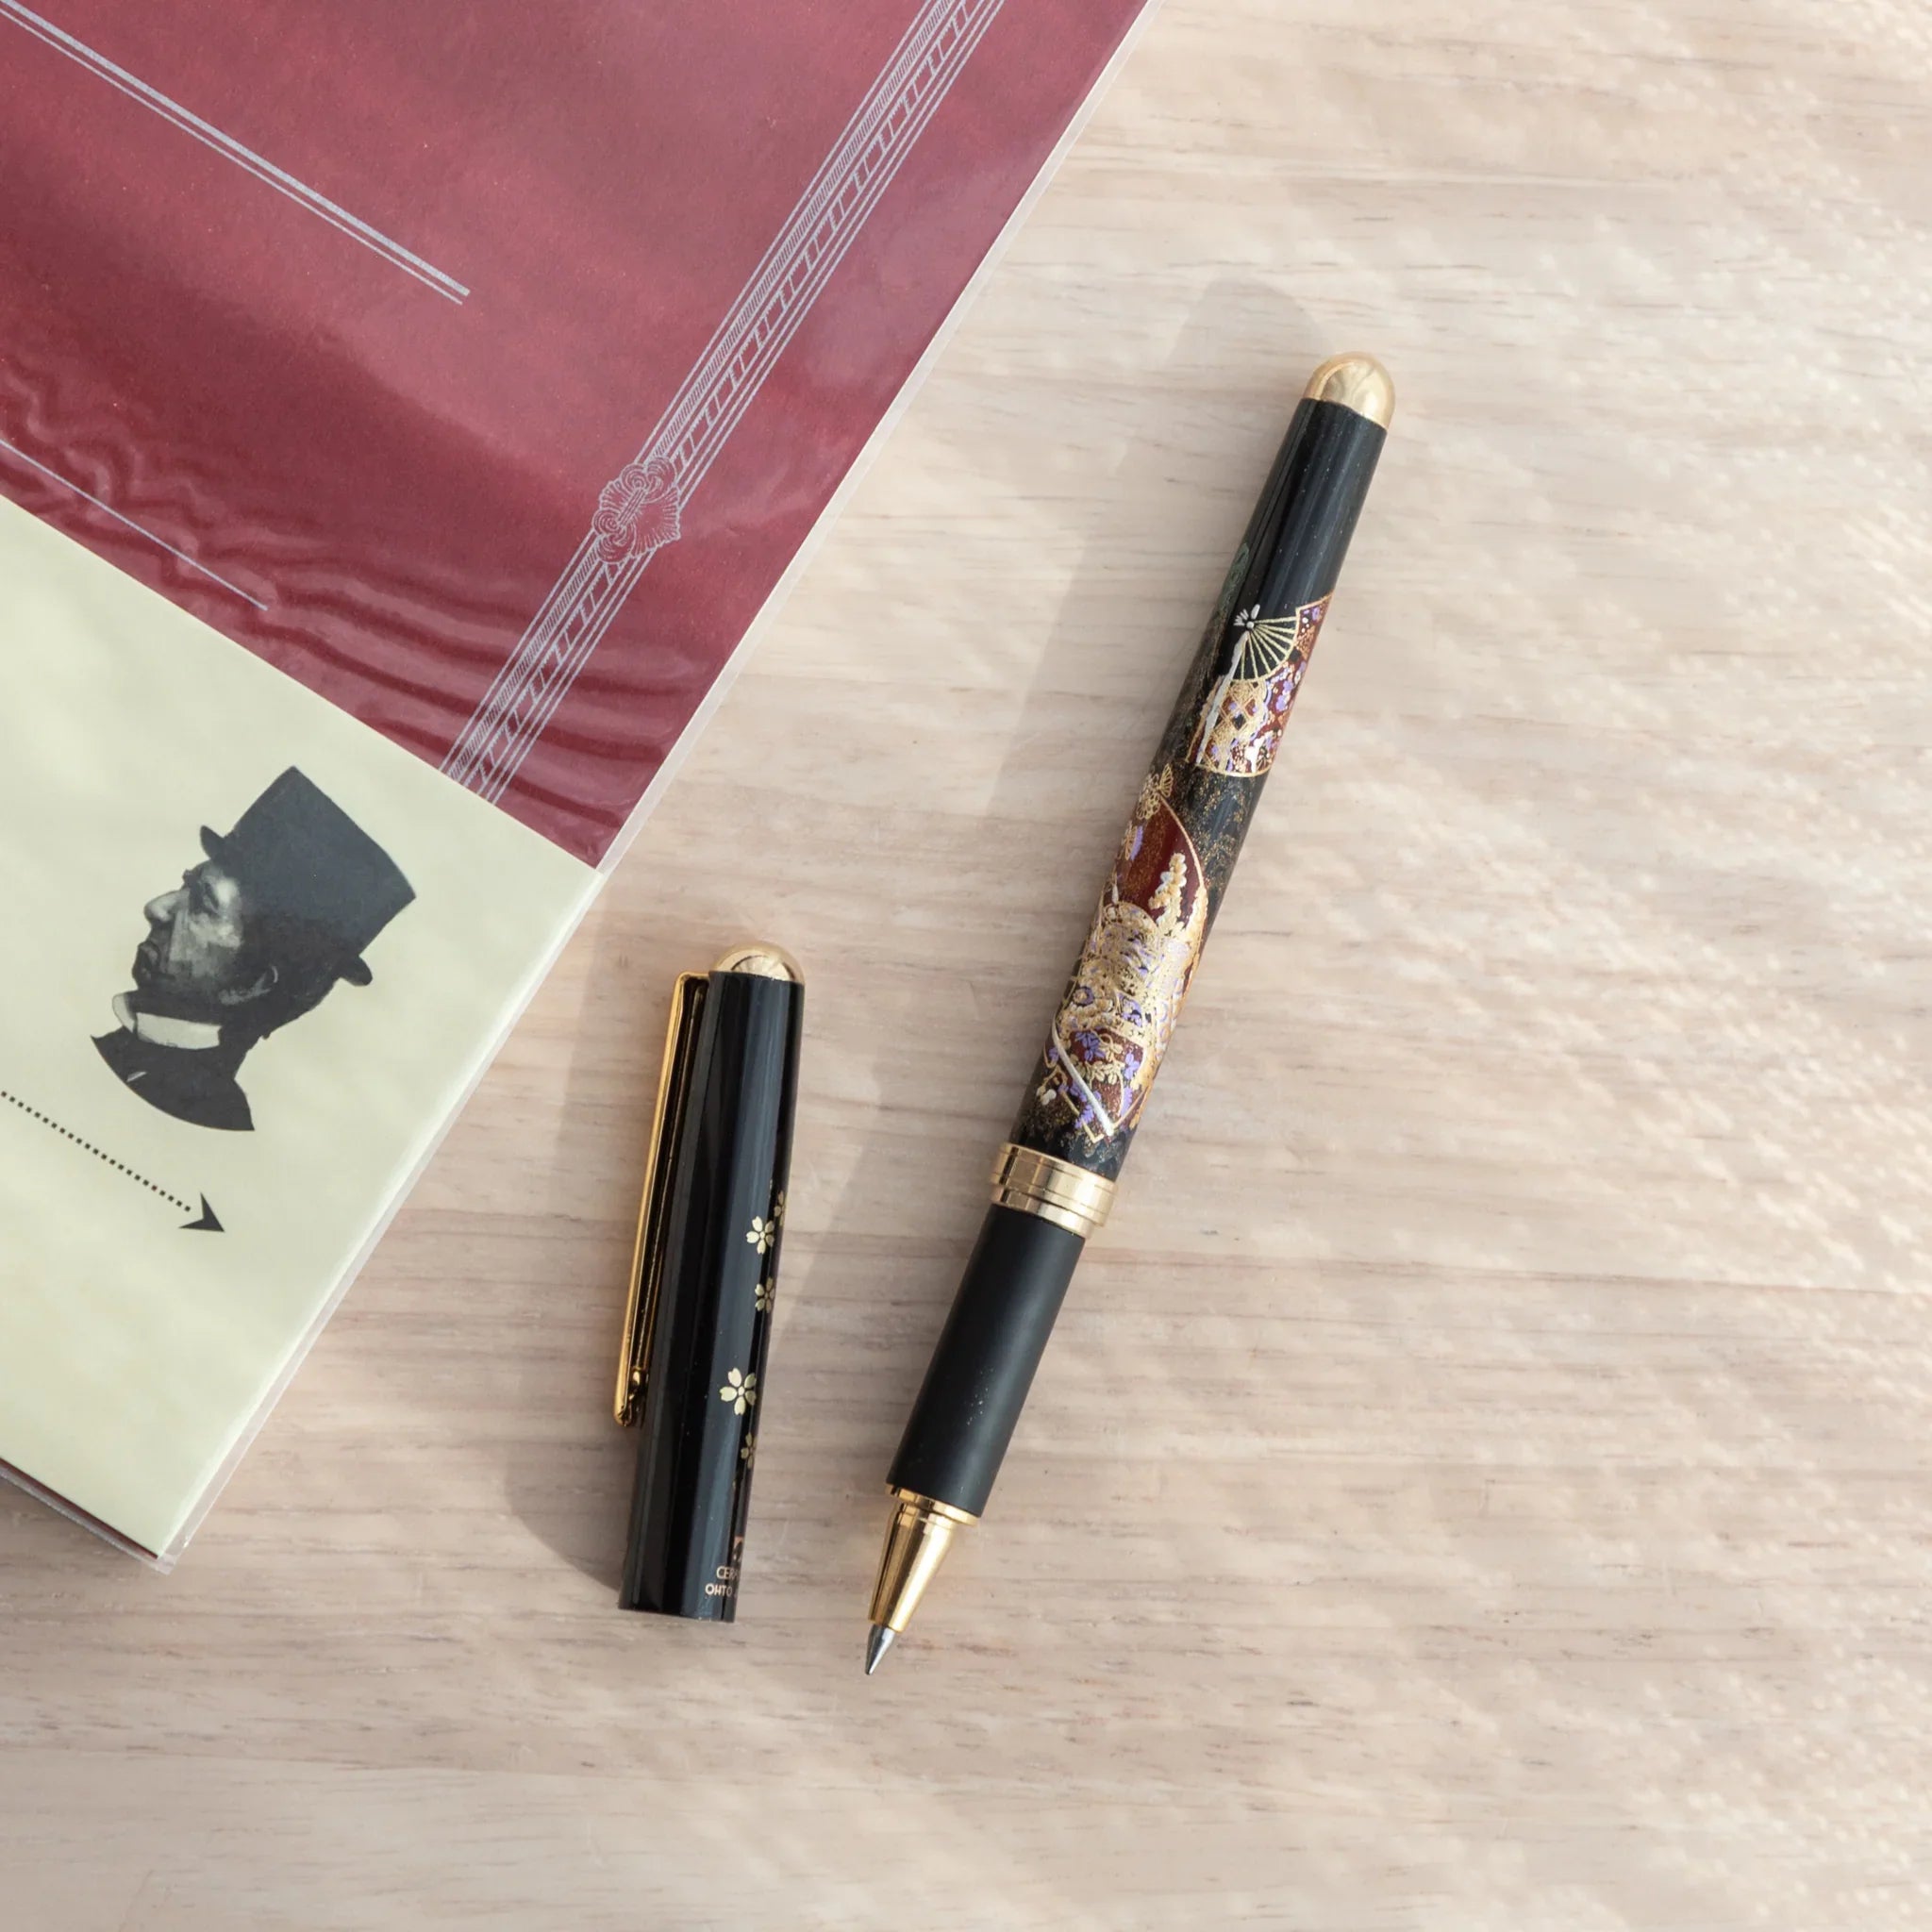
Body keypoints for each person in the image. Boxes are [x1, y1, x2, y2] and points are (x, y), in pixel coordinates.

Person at [93, 768, 415, 1132]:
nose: (157, 907)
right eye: (186, 885)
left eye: (202, 903)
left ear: (252, 982)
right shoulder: (124, 1053)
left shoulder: (210, 1115)